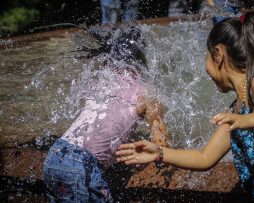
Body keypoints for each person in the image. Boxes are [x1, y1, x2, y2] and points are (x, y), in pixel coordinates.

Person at [116, 12, 254, 202]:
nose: (206, 68)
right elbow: (205, 157)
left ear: (218, 54)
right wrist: (160, 153)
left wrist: (247, 120)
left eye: (207, 55)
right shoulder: (236, 111)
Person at [43, 27, 167, 202]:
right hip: (81, 164)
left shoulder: (101, 79)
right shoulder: (145, 91)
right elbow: (160, 140)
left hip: (55, 155)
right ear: (141, 58)